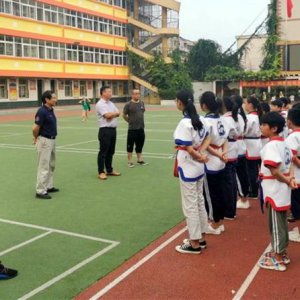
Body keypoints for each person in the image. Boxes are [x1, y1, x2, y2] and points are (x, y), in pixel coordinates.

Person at [258, 111, 296, 271]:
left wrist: (288, 179)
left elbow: (274, 170)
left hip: (275, 189)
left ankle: (278, 257)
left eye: (263, 125)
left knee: (275, 223)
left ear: (273, 128)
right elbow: (292, 163)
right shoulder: (285, 144)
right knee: (281, 222)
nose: (261, 127)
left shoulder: (272, 145)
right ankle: (282, 252)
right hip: (282, 189)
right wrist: (291, 178)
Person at [174, 90, 211, 254]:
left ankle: (194, 243)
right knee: (199, 201)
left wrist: (198, 155)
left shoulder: (184, 123)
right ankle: (201, 238)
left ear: (180, 103)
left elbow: (188, 148)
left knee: (190, 205)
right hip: (198, 167)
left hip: (189, 166)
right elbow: (209, 137)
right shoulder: (201, 119)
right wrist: (202, 154)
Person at [200, 92, 228, 234]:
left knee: (210, 194)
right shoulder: (223, 119)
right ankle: (220, 221)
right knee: (220, 191)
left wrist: (218, 154)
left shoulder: (206, 121)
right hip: (221, 159)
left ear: (204, 105)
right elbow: (226, 139)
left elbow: (207, 142)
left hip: (211, 160)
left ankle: (214, 223)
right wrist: (223, 154)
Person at [32, 90, 59, 200]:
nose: (55, 100)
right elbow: (35, 128)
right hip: (44, 141)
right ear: (47, 100)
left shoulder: (50, 110)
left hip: (52, 140)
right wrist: (36, 137)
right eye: (53, 98)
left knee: (51, 164)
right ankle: (40, 191)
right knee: (43, 166)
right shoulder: (42, 111)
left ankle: (48, 186)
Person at [96, 86, 121, 180]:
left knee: (111, 151)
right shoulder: (100, 104)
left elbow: (118, 113)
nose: (111, 93)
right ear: (103, 93)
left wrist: (112, 114)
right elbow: (107, 116)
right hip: (105, 130)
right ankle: (101, 172)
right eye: (109, 91)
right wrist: (113, 114)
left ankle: (109, 170)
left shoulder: (110, 103)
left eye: (111, 91)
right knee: (103, 152)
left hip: (113, 130)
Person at [222, 96, 241, 219]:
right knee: (232, 180)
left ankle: (229, 211)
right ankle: (231, 210)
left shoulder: (225, 119)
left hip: (227, 149)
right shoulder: (237, 117)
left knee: (228, 182)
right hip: (234, 147)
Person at [232, 95, 251, 209]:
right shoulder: (242, 116)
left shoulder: (236, 116)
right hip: (241, 146)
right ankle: (244, 197)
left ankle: (243, 198)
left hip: (237, 147)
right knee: (243, 174)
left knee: (239, 175)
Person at [123, 89, 148, 167]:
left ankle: (139, 159)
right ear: (132, 95)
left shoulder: (142, 103)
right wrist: (130, 121)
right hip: (132, 129)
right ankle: (129, 161)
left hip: (141, 128)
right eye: (135, 94)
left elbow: (142, 112)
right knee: (130, 145)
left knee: (140, 144)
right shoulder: (128, 104)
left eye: (138, 94)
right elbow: (124, 115)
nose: (137, 95)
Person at [243, 96, 262, 198]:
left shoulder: (250, 117)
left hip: (250, 143)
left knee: (251, 170)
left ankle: (254, 191)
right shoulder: (258, 115)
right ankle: (256, 189)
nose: (245, 105)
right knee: (256, 168)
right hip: (257, 143)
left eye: (246, 103)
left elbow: (245, 131)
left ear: (250, 104)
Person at [285, 108, 300, 225]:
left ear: (289, 121)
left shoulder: (293, 137)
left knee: (297, 204)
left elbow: (290, 157)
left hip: (296, 176)